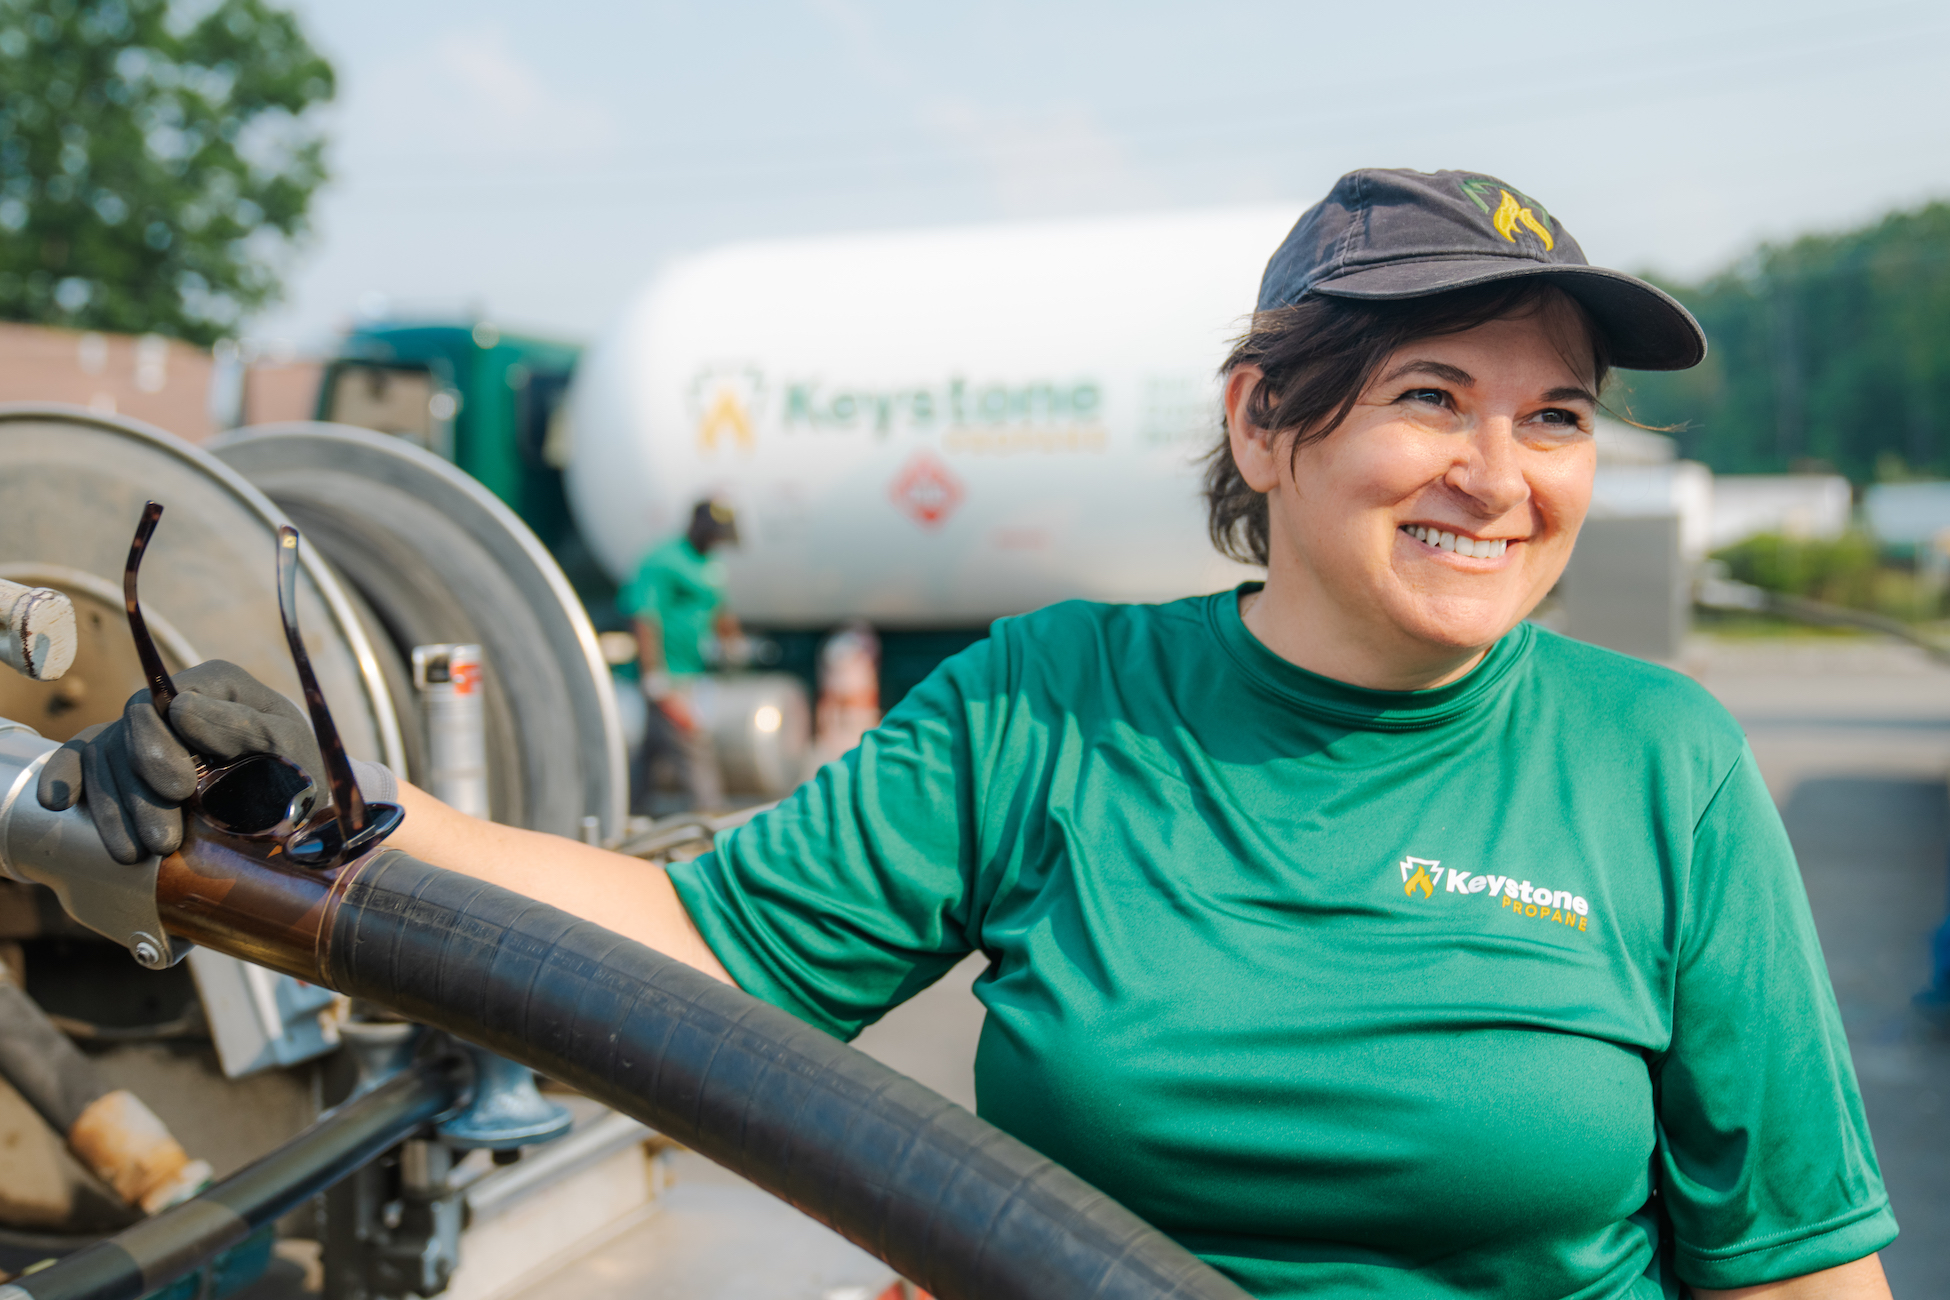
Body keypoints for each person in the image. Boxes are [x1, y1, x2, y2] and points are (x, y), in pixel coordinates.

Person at [51, 169, 1895, 1299]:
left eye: (1558, 416)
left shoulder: (1661, 763)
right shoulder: (1051, 701)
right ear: (1268, 423)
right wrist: (320, 807)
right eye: (1432, 397)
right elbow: (702, 951)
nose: (1502, 477)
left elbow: (1800, 1269)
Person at [622, 497, 741, 812]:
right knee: (692, 743)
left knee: (652, 752)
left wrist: (733, 643)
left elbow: (719, 609)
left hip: (693, 672)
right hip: (668, 675)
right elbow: (645, 618)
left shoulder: (710, 566)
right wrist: (654, 677)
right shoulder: (662, 561)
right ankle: (711, 817)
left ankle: (626, 810)